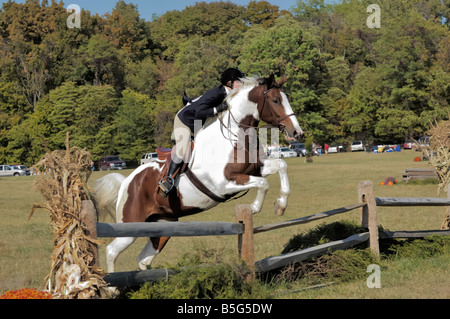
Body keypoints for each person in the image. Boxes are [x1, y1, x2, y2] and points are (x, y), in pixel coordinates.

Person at [158, 68, 244, 196]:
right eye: (239, 81)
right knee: (182, 149)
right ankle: (168, 179)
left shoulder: (229, 93)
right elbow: (199, 111)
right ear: (230, 83)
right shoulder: (217, 93)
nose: (241, 84)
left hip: (199, 122)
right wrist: (217, 109)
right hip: (185, 120)